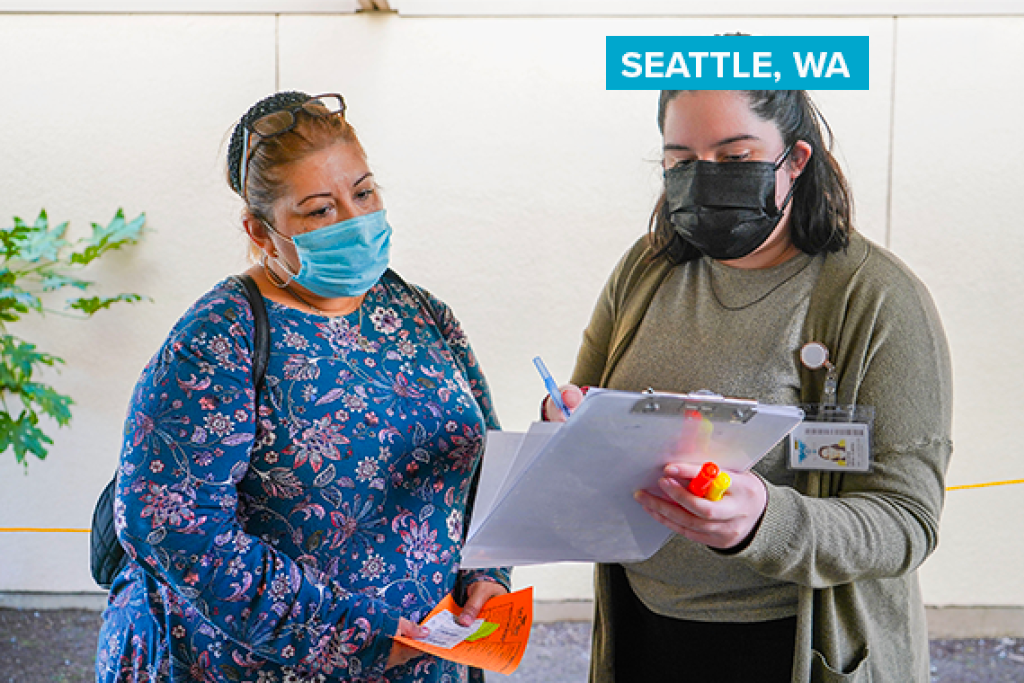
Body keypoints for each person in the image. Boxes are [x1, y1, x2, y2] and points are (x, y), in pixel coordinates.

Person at [96, 91, 509, 683]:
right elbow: (170, 523)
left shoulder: (423, 315)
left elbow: (486, 468)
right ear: (260, 232)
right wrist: (347, 637)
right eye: (319, 210)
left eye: (363, 193)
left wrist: (488, 577)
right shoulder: (222, 336)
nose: (355, 220)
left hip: (427, 660)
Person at [544, 90, 952, 681]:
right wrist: (569, 423)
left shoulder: (877, 299)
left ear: (796, 160)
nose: (705, 179)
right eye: (681, 161)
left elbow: (905, 522)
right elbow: (584, 400)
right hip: (645, 630)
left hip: (793, 646)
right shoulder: (647, 268)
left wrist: (763, 521)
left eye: (735, 158)